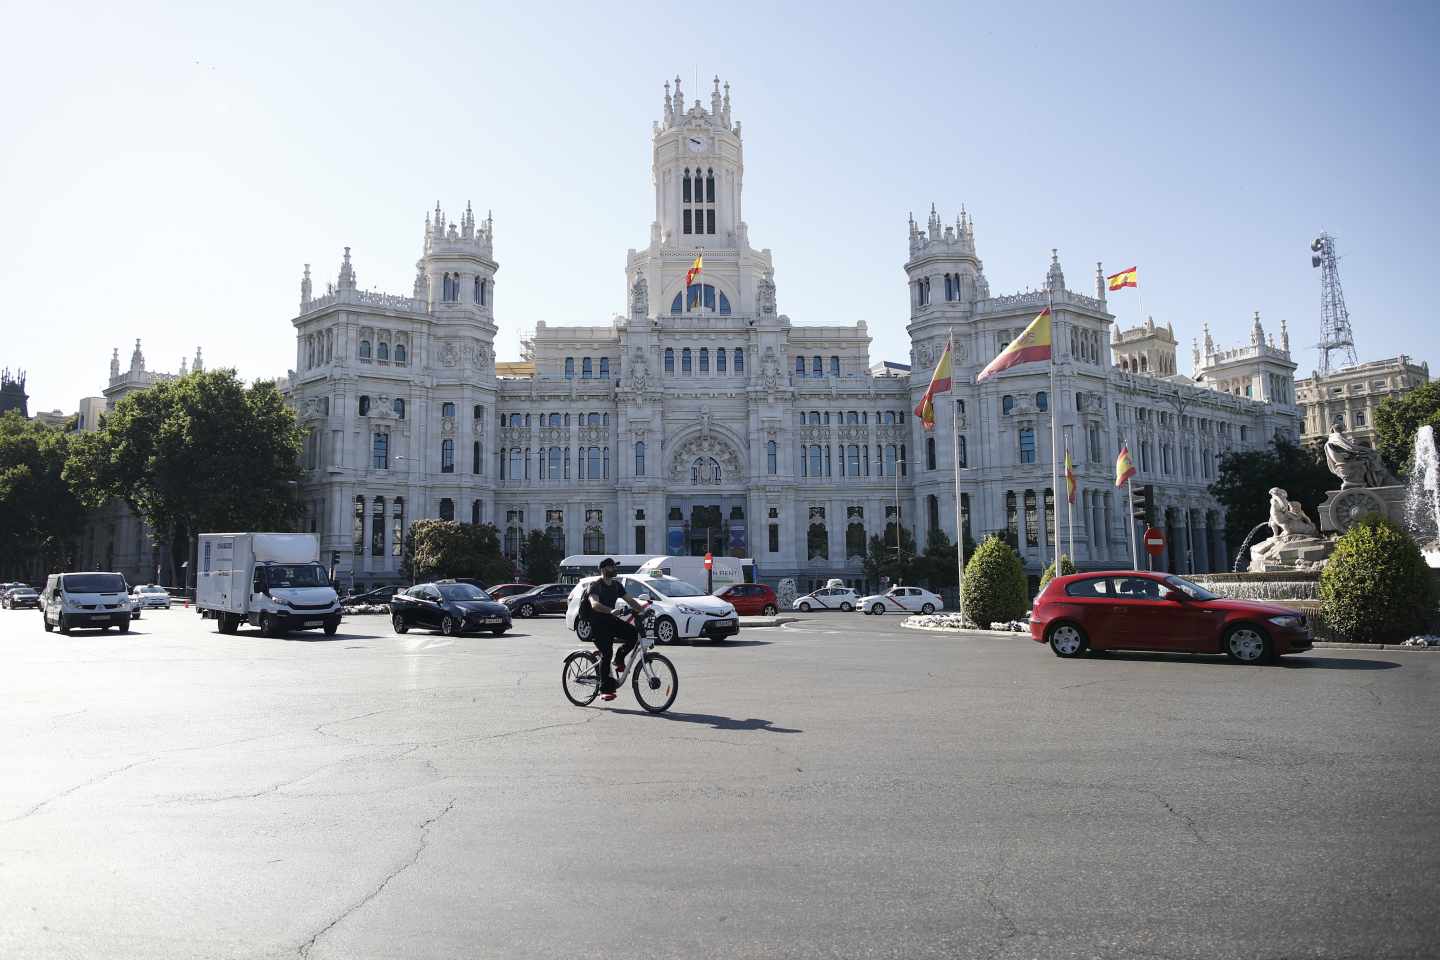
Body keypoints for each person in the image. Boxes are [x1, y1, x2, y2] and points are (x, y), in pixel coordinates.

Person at [586, 558, 649, 701]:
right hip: (598, 624)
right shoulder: (596, 586)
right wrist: (610, 610)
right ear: (603, 570)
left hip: (610, 621)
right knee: (606, 653)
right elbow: (594, 604)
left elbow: (631, 601)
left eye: (614, 566)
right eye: (611, 567)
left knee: (633, 634)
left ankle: (619, 659)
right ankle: (604, 689)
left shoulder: (616, 585)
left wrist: (643, 611)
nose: (614, 569)